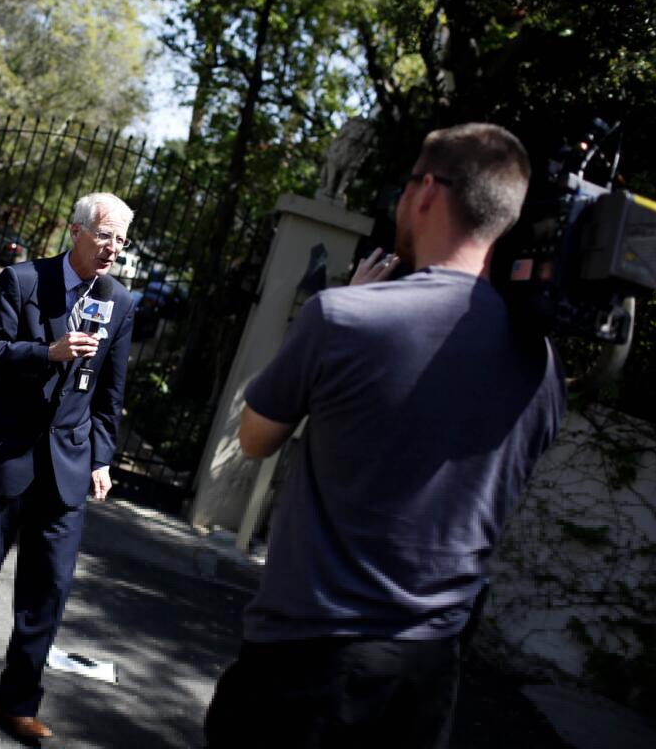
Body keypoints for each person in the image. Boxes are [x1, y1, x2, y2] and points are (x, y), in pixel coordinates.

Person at [204, 123, 566, 748]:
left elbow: (256, 437)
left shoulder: (344, 317)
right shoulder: (544, 365)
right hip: (428, 682)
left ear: (426, 191)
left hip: (306, 666)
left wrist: (340, 312)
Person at [0, 192, 136, 742]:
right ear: (76, 231)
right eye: (105, 236)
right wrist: (47, 352)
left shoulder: (120, 301)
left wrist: (102, 458)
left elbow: (110, 395)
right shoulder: (22, 281)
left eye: (121, 240)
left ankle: (17, 703)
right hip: (7, 457)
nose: (113, 248)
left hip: (67, 468)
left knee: (48, 592)